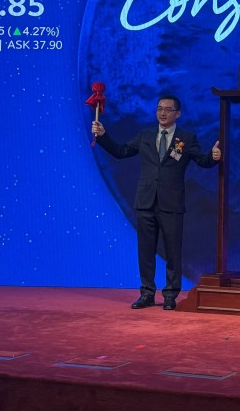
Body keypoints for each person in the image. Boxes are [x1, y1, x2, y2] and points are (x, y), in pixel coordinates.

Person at [92, 94, 221, 311]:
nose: (162, 113)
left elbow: (203, 161)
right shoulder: (145, 135)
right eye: (159, 108)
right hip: (145, 202)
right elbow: (121, 152)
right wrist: (103, 136)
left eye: (168, 109)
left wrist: (214, 156)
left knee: (172, 251)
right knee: (145, 250)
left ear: (177, 114)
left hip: (171, 204)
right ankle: (147, 293)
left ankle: (170, 295)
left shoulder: (186, 139)